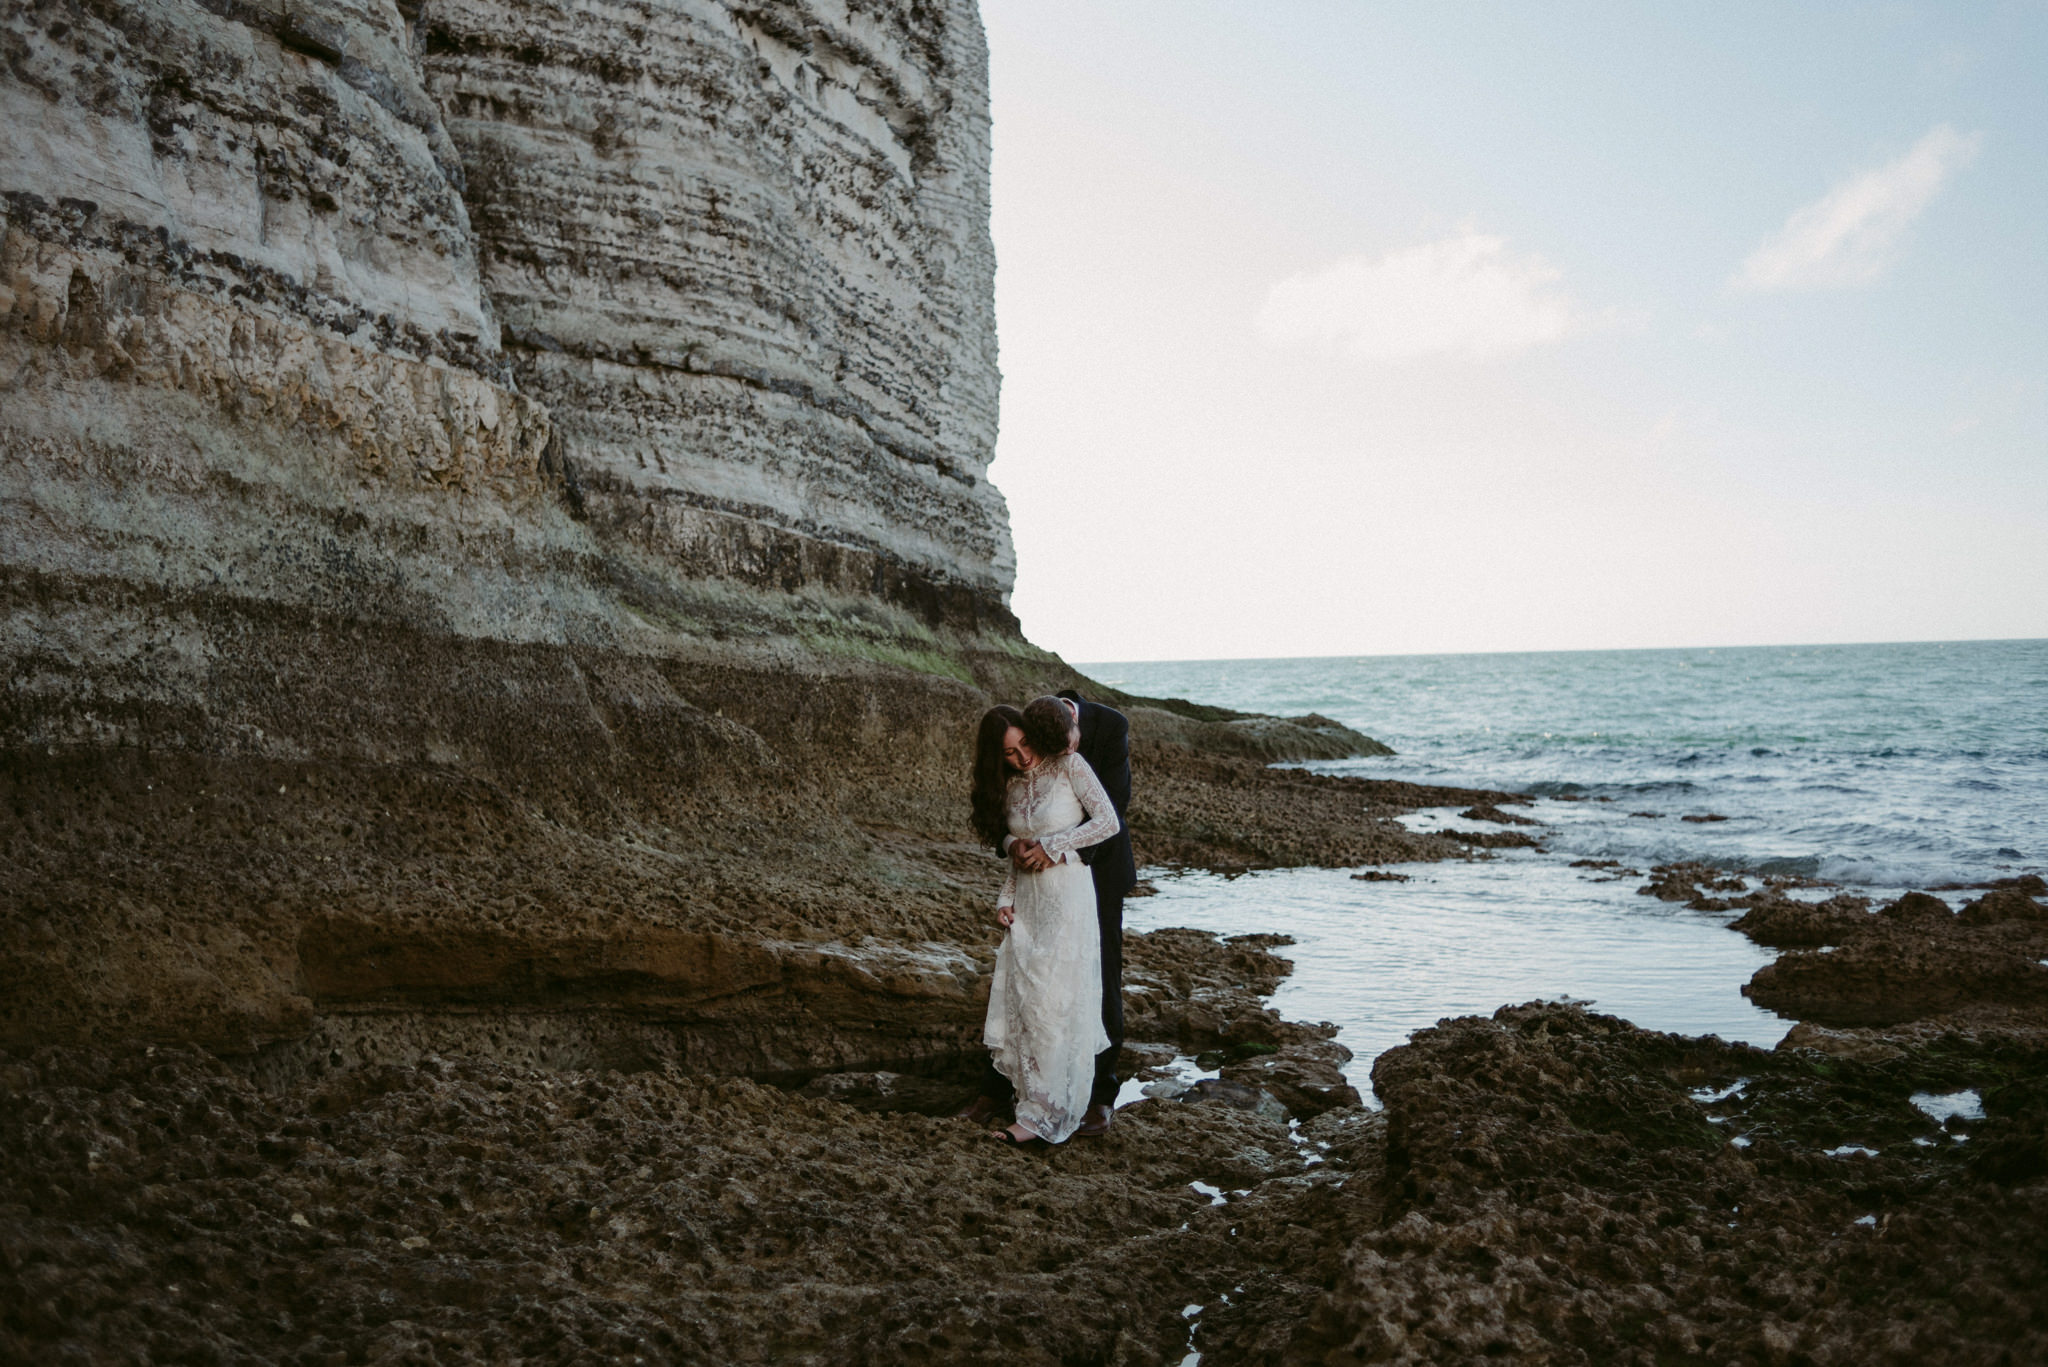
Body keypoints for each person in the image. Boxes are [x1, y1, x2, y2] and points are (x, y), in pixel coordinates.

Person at [969, 697, 1122, 1145]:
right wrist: (1006, 896)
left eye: (1024, 746)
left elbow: (1107, 822)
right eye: (1009, 754)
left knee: (1057, 1002)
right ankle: (1032, 1107)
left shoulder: (1069, 766)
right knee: (1028, 1000)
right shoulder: (1013, 787)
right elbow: (1016, 852)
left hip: (1068, 897)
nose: (1021, 758)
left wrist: (1054, 844)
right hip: (1030, 905)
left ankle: (1048, 1116)